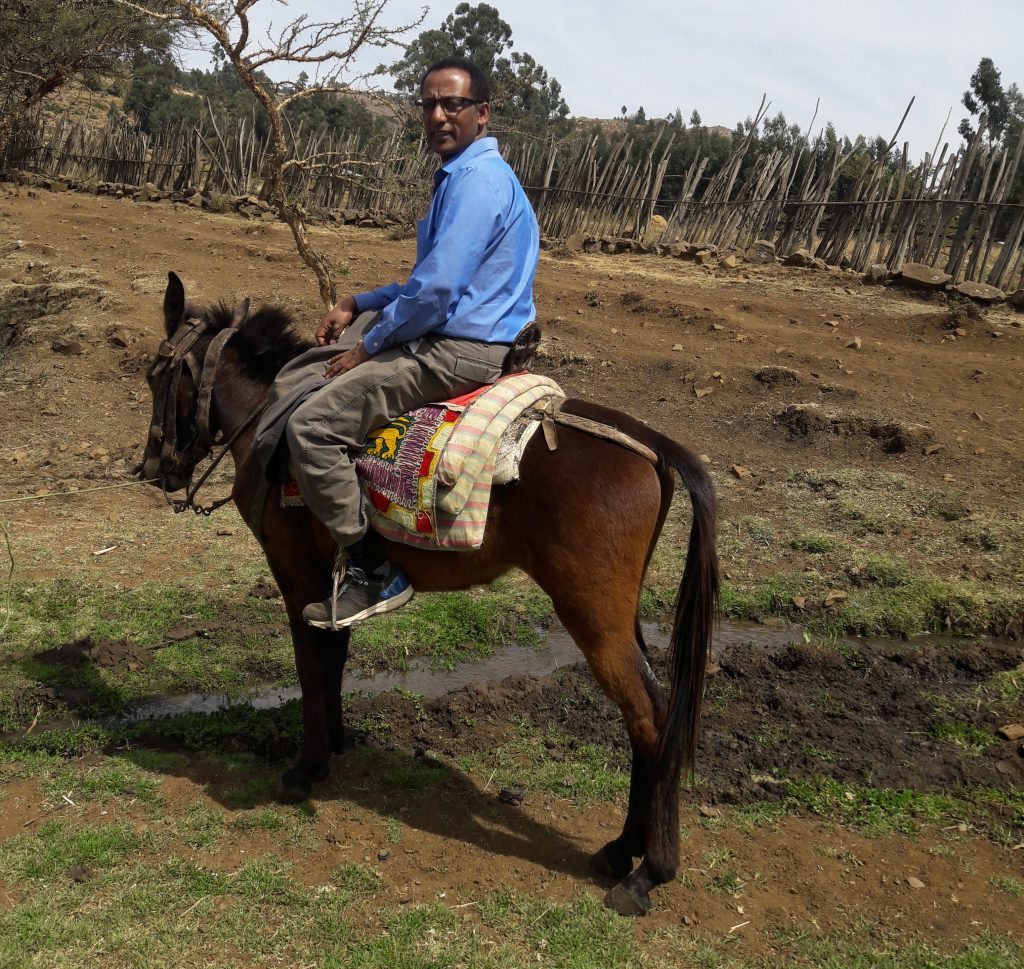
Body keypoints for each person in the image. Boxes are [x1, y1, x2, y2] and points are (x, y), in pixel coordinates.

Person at [273, 57, 540, 630]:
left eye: (453, 105)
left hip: (457, 347)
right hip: (462, 333)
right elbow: (429, 280)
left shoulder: (475, 182)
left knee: (312, 427)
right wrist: (361, 301)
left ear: (482, 114)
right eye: (429, 105)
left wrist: (367, 347)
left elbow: (437, 293)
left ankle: (374, 571)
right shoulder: (469, 177)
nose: (438, 116)